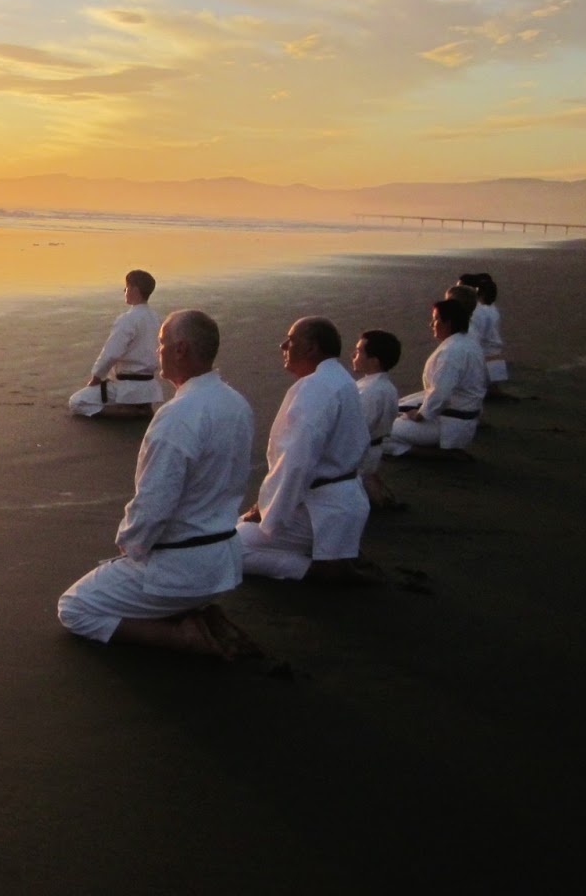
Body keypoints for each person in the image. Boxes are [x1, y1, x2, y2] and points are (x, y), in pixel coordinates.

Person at [58, 310, 259, 657]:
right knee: (125, 572)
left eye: (162, 343)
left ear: (180, 350)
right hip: (224, 563)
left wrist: (130, 547)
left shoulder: (178, 416)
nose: (157, 352)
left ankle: (184, 637)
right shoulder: (235, 402)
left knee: (75, 608)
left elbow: (154, 504)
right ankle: (196, 610)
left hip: (180, 569)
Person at [237, 317, 371, 582]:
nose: (283, 345)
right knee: (236, 526)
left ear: (311, 349)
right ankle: (333, 553)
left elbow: (296, 462)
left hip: (322, 509)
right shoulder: (339, 378)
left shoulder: (316, 387)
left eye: (291, 340)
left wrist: (268, 512)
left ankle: (315, 568)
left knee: (228, 549)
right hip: (340, 504)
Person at [383, 298, 487, 455]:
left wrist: (420, 415)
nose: (432, 324)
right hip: (461, 412)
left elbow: (441, 393)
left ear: (448, 323)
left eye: (436, 319)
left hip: (450, 424)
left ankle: (434, 453)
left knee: (379, 433)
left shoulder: (451, 352)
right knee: (397, 407)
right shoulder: (467, 342)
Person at [68, 269, 163, 417]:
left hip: (126, 386)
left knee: (77, 402)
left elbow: (111, 354)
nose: (124, 290)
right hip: (147, 385)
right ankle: (139, 406)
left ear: (134, 289)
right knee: (98, 395)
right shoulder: (155, 317)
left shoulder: (128, 319)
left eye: (127, 286)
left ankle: (127, 411)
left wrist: (96, 377)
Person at [352, 329, 403, 513]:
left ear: (373, 361)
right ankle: (371, 485)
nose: (354, 355)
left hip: (362, 455)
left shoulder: (370, 392)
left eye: (359, 352)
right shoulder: (385, 385)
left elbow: (357, 432)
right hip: (374, 451)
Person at [461, 272, 508, 391]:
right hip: (496, 363)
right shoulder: (491, 308)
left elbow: (474, 340)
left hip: (486, 365)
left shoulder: (477, 312)